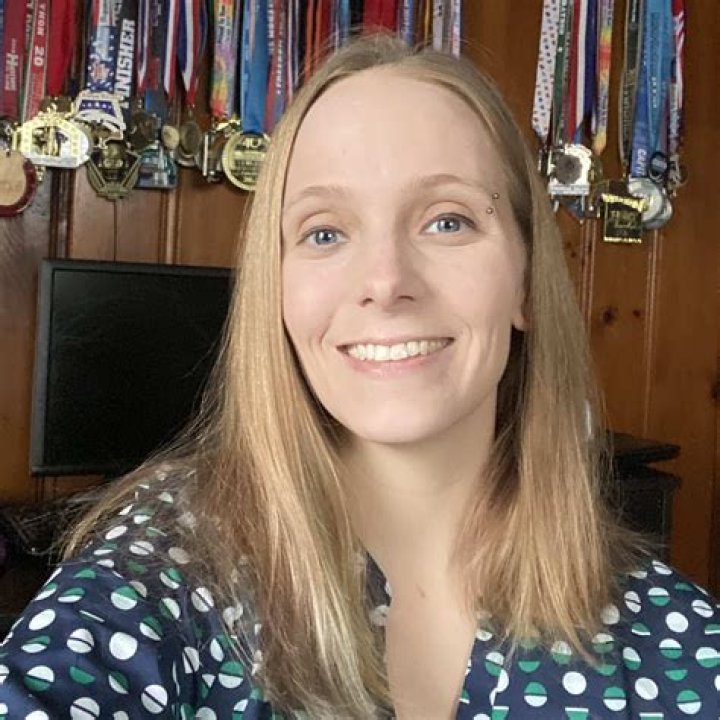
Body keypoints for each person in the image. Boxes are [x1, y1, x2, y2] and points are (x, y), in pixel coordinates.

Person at [1, 34, 717, 720]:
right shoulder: (166, 568)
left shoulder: (673, 639)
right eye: (325, 232)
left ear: (526, 279)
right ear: (277, 289)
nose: (385, 281)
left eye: (447, 221)